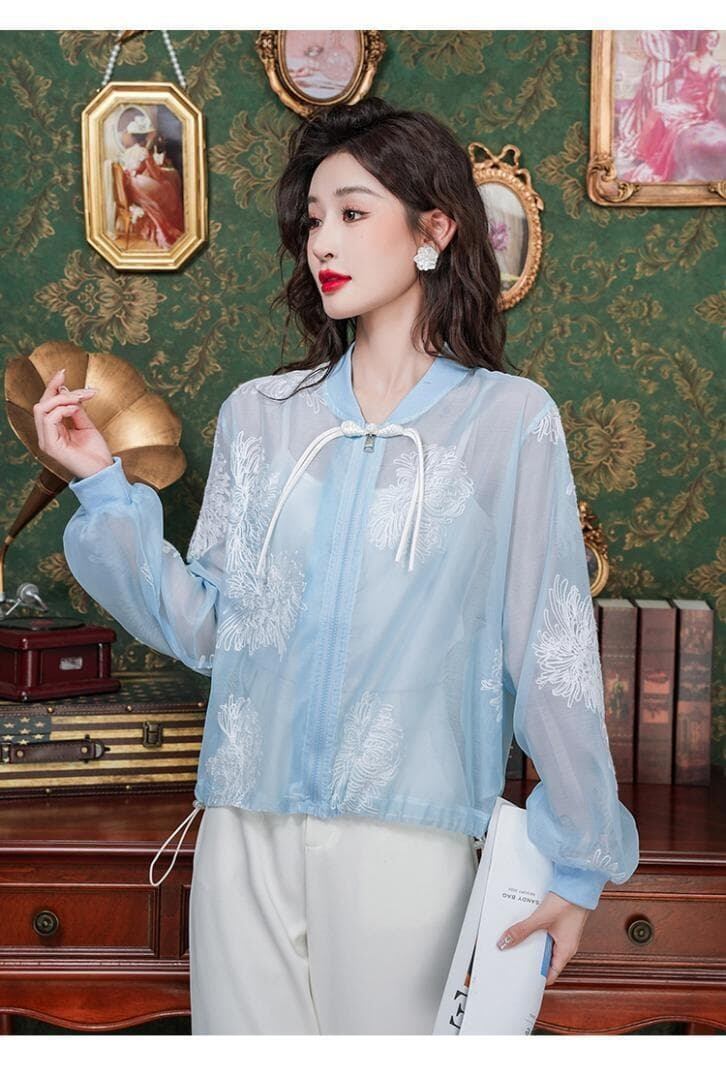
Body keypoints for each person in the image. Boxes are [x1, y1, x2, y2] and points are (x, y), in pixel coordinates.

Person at [33, 96, 639, 1035]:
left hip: (408, 842)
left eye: (354, 213)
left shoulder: (509, 423)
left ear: (433, 229)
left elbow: (549, 647)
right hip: (243, 829)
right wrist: (103, 488)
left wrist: (577, 864)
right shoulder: (262, 416)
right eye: (314, 218)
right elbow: (210, 627)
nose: (324, 241)